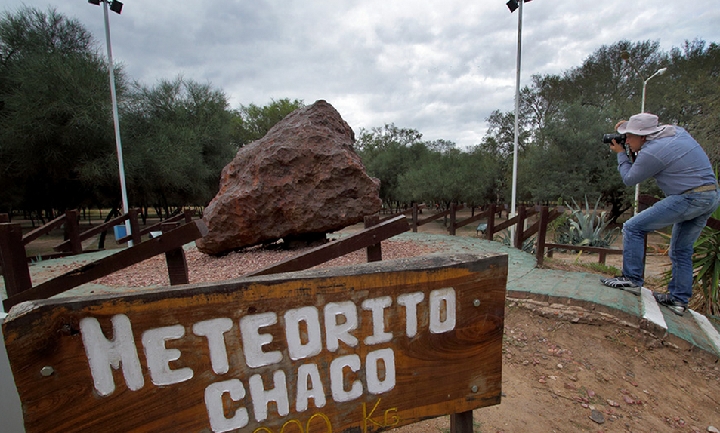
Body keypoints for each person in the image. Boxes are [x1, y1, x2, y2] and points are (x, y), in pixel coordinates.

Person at [600, 113, 720, 316]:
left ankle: (631, 280)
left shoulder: (652, 152)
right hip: (711, 196)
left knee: (633, 227)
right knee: (682, 250)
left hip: (690, 197)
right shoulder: (675, 132)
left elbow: (630, 178)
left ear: (644, 136)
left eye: (630, 136)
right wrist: (628, 128)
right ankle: (678, 300)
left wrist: (621, 153)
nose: (626, 141)